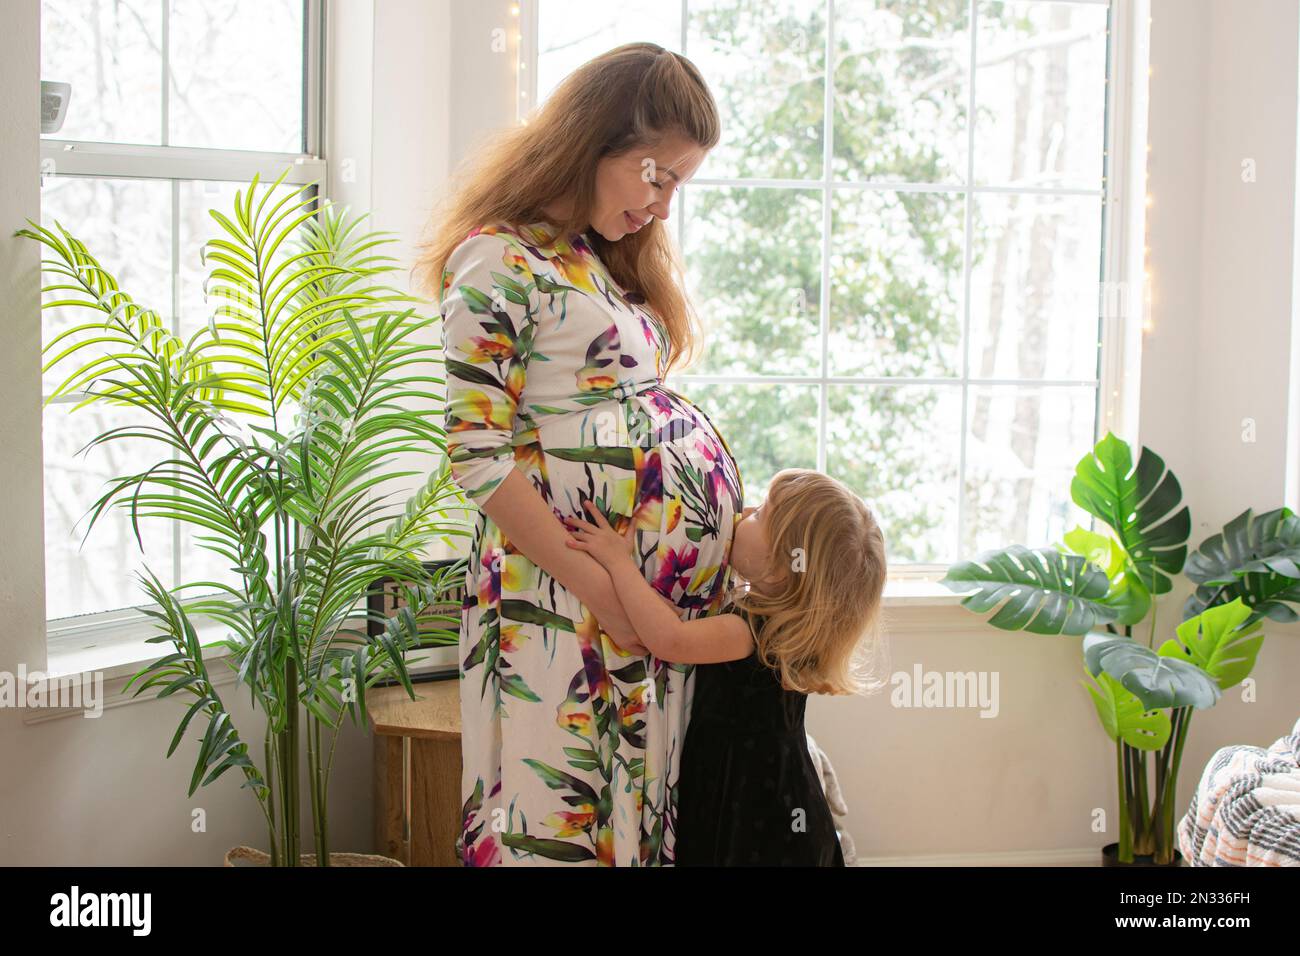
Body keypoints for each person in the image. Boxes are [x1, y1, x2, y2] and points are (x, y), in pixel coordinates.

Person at [413, 43, 745, 866]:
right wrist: (605, 581)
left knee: (625, 818)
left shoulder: (595, 257)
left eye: (680, 186)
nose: (664, 205)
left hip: (634, 606)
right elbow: (478, 458)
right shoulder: (497, 260)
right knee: (557, 818)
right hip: (558, 597)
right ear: (594, 139)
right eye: (656, 175)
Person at [564, 467, 889, 866]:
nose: (745, 511)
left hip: (754, 805)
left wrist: (619, 563)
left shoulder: (748, 631)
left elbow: (668, 640)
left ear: (780, 569)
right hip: (783, 794)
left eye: (760, 514)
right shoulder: (789, 628)